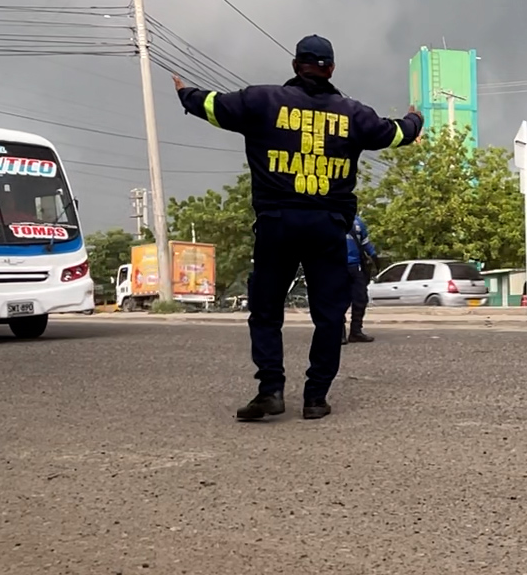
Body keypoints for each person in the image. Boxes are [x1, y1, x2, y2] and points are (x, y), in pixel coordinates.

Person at [173, 35, 423, 421]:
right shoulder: (353, 114)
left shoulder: (261, 101)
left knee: (266, 311)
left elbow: (213, 106)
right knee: (328, 315)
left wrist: (185, 92)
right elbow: (394, 132)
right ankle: (315, 398)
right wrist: (415, 118)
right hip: (327, 227)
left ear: (295, 65)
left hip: (276, 224)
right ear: (331, 69)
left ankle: (270, 390)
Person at [344, 213, 377, 344]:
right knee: (338, 300)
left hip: (355, 266)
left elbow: (365, 243)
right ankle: (338, 333)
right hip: (336, 266)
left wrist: (374, 256)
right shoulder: (330, 218)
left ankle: (356, 332)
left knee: (360, 298)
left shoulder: (358, 222)